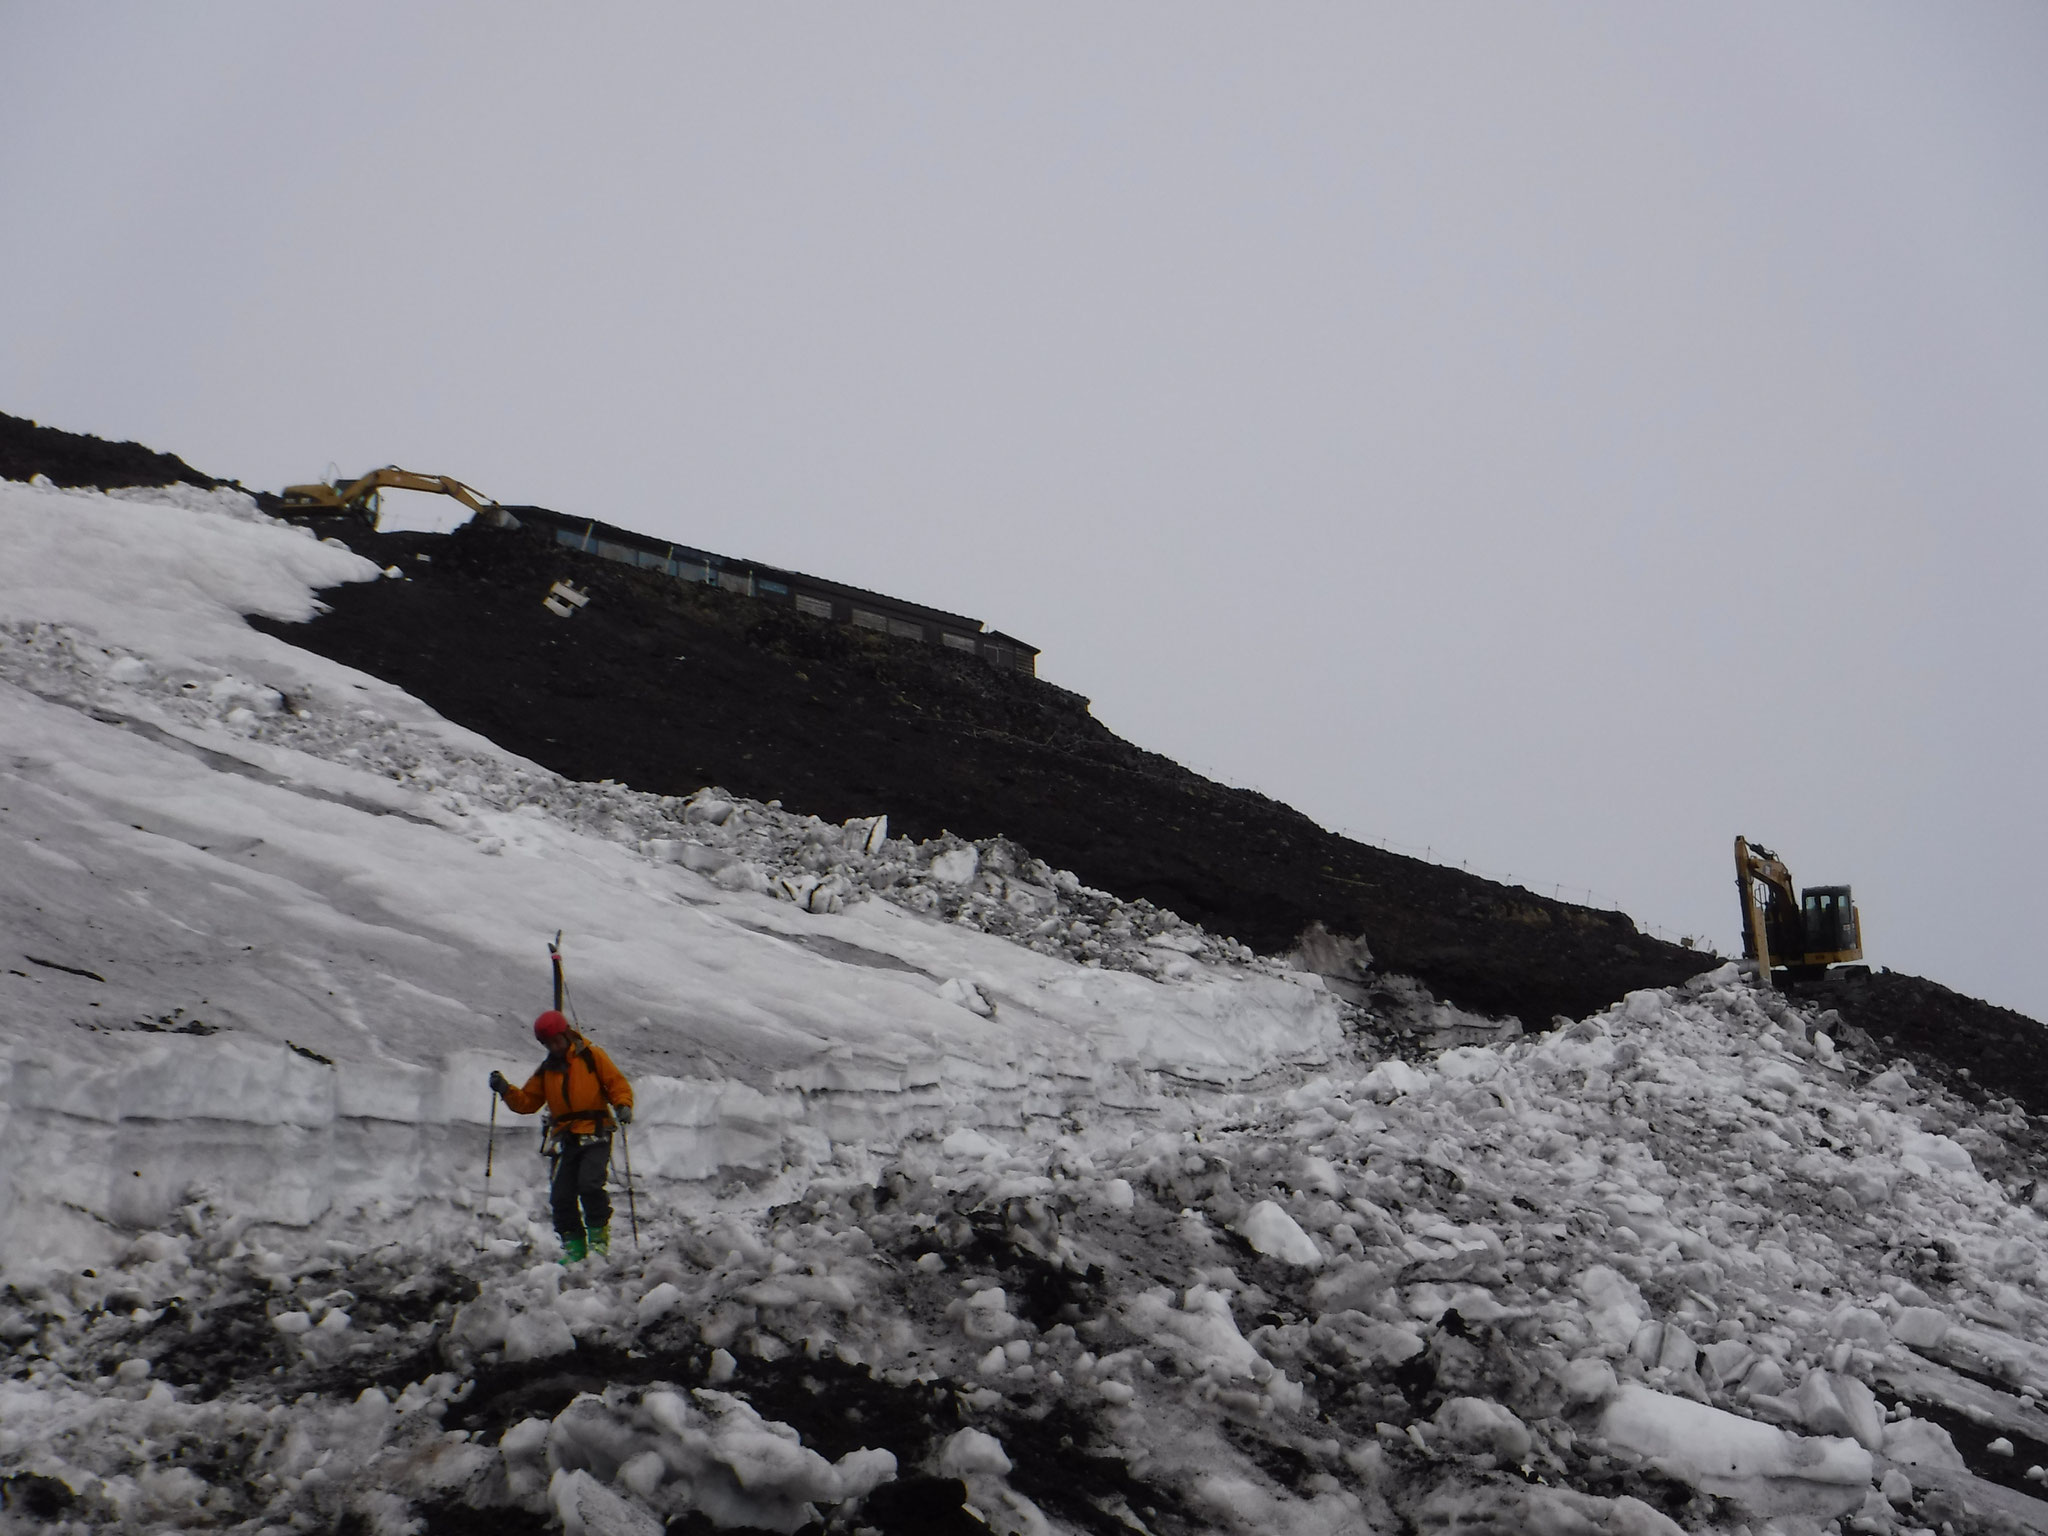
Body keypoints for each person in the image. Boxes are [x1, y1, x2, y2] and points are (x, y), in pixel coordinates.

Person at [489, 1010, 634, 1262]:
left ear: (566, 1033)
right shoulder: (547, 1070)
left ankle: (598, 1240)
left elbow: (615, 1083)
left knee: (589, 1184)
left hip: (596, 1132)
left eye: (557, 1040)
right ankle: (574, 1249)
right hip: (568, 1138)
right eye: (548, 1043)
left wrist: (623, 1104)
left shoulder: (591, 1056)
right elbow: (528, 1102)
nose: (554, 1046)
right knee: (561, 1196)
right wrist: (505, 1089)